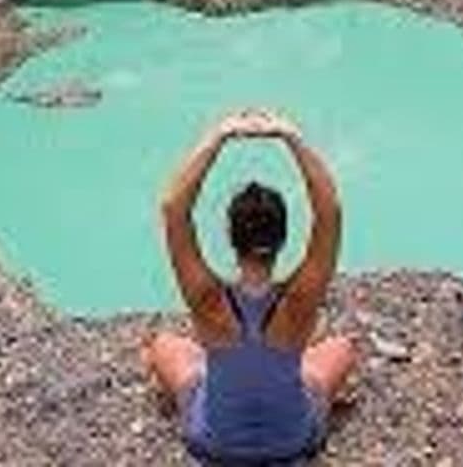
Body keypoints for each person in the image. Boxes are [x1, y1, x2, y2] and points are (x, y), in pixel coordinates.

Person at [142, 108, 356, 464]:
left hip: (214, 445)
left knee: (163, 345)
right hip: (292, 444)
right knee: (342, 348)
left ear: (230, 236)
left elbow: (173, 208)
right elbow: (329, 210)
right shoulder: (300, 299)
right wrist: (292, 138)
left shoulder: (206, 298)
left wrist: (218, 135)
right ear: (284, 237)